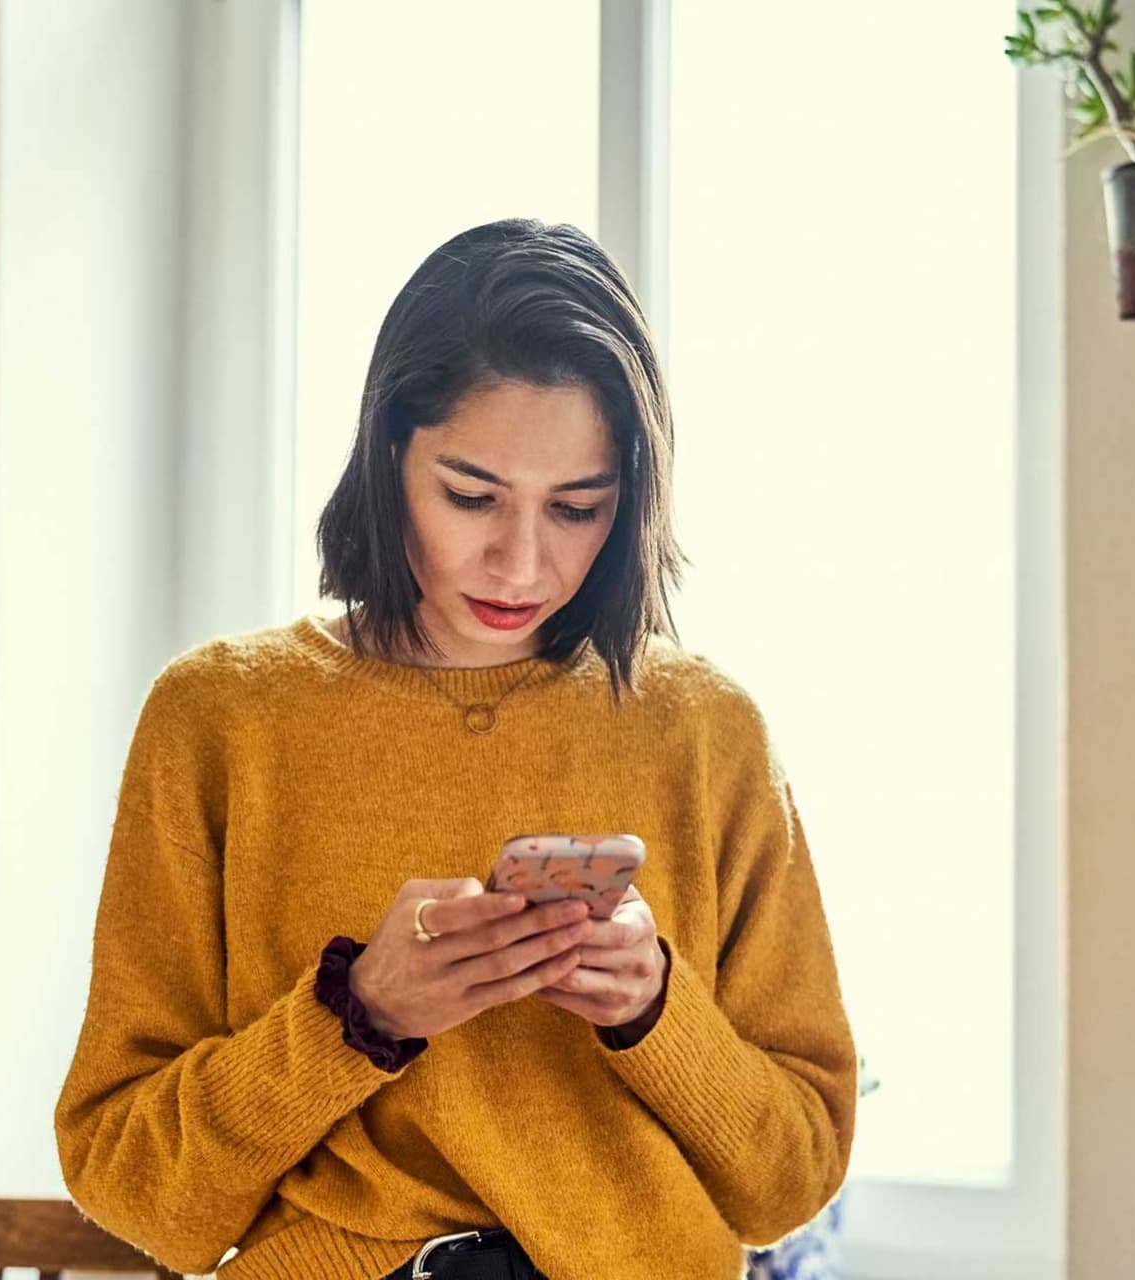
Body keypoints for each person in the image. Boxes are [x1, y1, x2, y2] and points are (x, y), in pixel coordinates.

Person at [54, 217, 855, 1280]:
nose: (520, 560)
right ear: (388, 455)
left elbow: (787, 1178)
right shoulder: (221, 718)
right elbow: (130, 1178)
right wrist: (357, 1013)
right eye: (470, 495)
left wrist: (655, 1007)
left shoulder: (702, 729)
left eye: (578, 507)